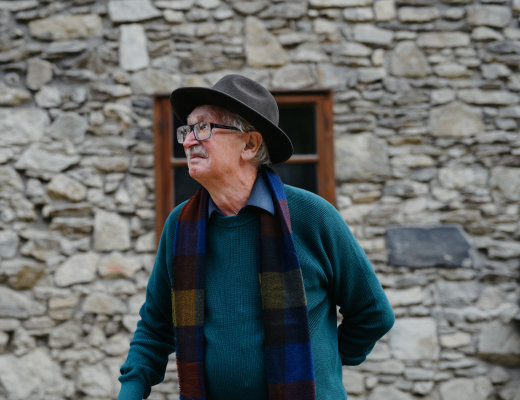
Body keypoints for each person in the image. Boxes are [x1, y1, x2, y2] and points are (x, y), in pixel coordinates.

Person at [117, 74, 395, 400]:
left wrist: (324, 362)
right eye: (187, 130)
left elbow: (373, 313)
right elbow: (155, 327)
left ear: (249, 145)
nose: (189, 141)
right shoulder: (180, 226)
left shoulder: (312, 216)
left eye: (203, 128)